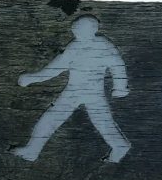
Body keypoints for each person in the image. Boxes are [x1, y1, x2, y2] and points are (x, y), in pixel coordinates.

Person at [12, 15, 130, 163]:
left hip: (93, 93)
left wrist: (120, 87)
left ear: (92, 29)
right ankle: (32, 150)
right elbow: (56, 68)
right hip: (73, 91)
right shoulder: (74, 46)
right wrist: (32, 78)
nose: (75, 31)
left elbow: (117, 65)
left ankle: (120, 146)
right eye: (75, 28)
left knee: (103, 123)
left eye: (79, 28)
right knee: (51, 118)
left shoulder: (102, 45)